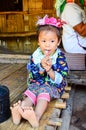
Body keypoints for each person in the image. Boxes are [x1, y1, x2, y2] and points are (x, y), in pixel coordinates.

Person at [10, 15, 68, 128]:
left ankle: (35, 116)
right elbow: (33, 74)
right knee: (31, 91)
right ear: (38, 42)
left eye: (52, 41)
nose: (47, 44)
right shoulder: (36, 55)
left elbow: (60, 79)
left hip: (52, 85)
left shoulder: (60, 57)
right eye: (44, 41)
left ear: (58, 42)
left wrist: (50, 70)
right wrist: (41, 67)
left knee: (43, 93)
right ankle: (20, 111)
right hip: (36, 83)